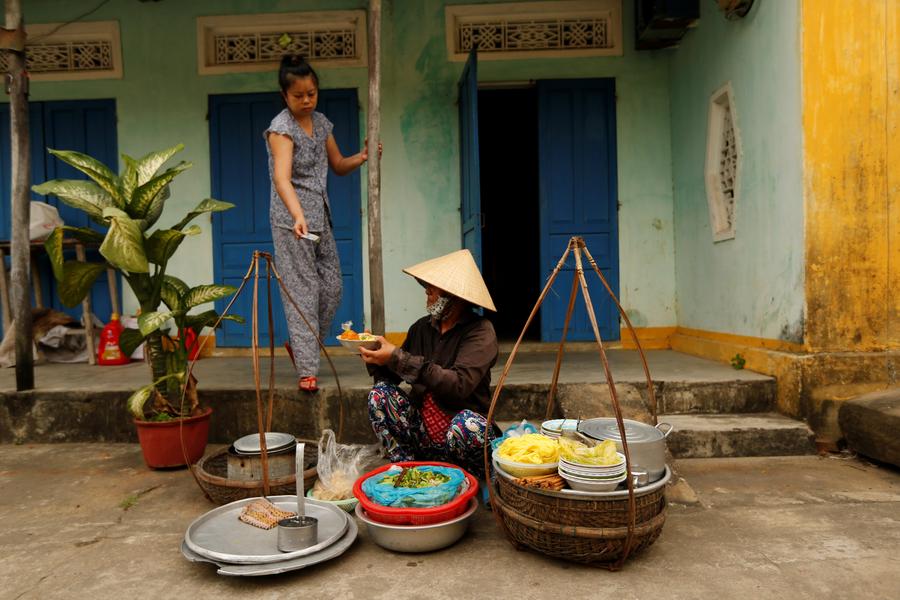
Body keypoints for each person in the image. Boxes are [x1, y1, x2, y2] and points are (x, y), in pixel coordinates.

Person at [265, 55, 379, 392]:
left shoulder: (322, 123)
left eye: (311, 93)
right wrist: (298, 213)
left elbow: (339, 164)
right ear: (285, 96)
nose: (306, 100)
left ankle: (303, 350)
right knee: (303, 290)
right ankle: (307, 371)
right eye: (298, 95)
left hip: (321, 218)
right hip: (292, 222)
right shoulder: (281, 130)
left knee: (332, 287)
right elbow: (282, 179)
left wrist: (362, 156)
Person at [359, 249, 499, 478]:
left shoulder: (480, 332)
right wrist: (375, 354)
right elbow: (391, 377)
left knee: (466, 425)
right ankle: (407, 468)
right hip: (423, 433)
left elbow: (458, 385)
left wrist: (397, 357)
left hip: (461, 433)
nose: (427, 295)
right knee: (380, 394)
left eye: (432, 291)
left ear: (452, 297)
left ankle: (467, 476)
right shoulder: (421, 328)